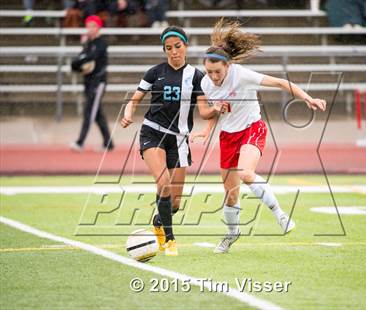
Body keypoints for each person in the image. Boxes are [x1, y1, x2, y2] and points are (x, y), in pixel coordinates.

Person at [195, 19, 327, 254]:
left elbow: (279, 82)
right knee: (231, 196)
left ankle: (280, 215)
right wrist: (209, 124)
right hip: (227, 137)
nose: (214, 76)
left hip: (251, 128)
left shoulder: (242, 74)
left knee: (246, 173)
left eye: (218, 71)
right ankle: (232, 233)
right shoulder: (206, 83)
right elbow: (210, 111)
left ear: (227, 66)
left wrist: (308, 98)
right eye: (209, 71)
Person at [120, 26, 223, 256]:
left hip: (179, 139)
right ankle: (170, 239)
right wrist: (128, 114)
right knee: (163, 182)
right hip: (152, 132)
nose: (173, 51)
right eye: (168, 48)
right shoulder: (154, 73)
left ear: (185, 46)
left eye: (178, 46)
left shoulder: (197, 77)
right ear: (164, 50)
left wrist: (216, 108)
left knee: (174, 203)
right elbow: (134, 100)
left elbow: (204, 112)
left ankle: (159, 221)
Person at [71, 15, 114, 152]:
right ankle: (109, 143)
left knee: (89, 112)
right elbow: (77, 62)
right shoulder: (88, 44)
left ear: (98, 27)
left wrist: (79, 62)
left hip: (98, 83)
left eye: (93, 26)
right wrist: (77, 64)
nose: (90, 29)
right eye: (88, 26)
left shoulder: (101, 43)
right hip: (88, 82)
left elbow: (90, 58)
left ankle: (80, 142)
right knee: (97, 114)